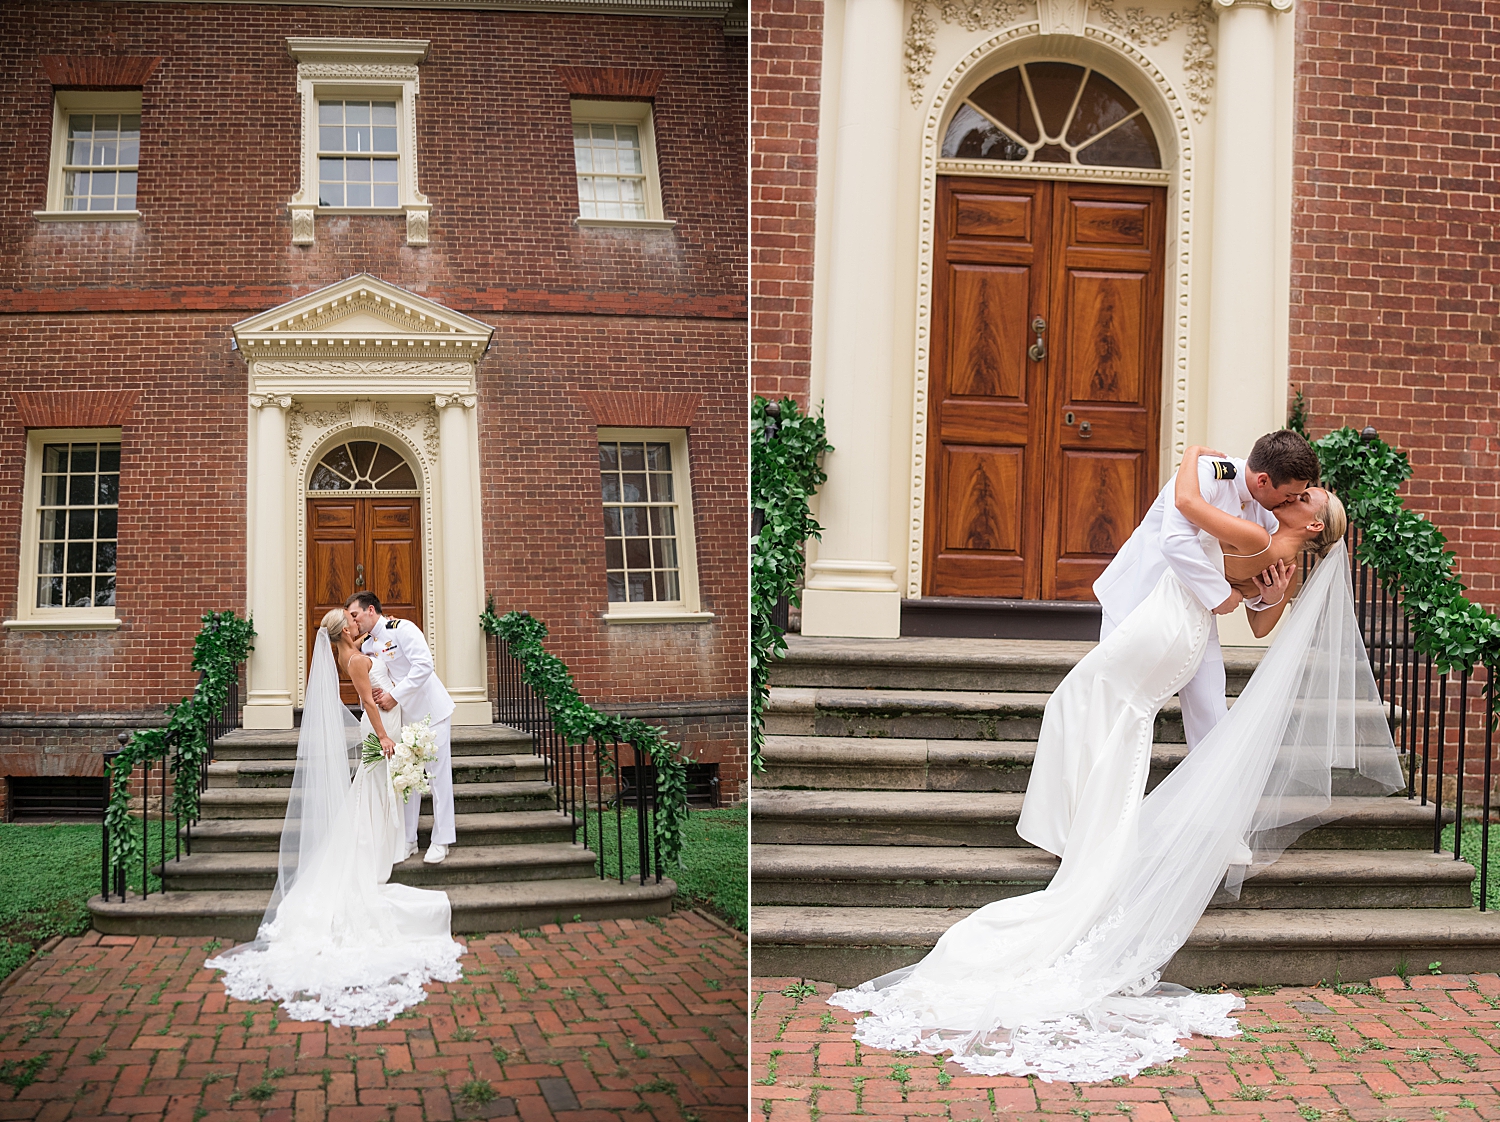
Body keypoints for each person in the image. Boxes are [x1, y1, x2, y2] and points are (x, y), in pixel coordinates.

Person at [830, 444, 1403, 1082]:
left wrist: (1249, 591)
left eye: (1306, 500)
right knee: (1127, 714)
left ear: (1311, 518)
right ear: (1268, 482)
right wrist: (1239, 584)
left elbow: (1246, 601)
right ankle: (1093, 822)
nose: (1297, 501)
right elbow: (1187, 538)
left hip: (1186, 618)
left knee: (1159, 718)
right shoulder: (1245, 504)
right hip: (1156, 605)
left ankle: (1151, 830)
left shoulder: (1268, 528)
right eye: (1296, 492)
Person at [206, 609, 463, 1027]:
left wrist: (356, 643)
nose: (357, 620)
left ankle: (397, 844)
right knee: (373, 796)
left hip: (394, 718)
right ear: (347, 630)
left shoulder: (355, 650)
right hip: (380, 727)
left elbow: (371, 654)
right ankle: (378, 851)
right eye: (351, 618)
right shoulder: (358, 659)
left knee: (378, 794)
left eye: (356, 613)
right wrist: (382, 735)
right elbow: (366, 696)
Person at [1093, 430, 1321, 749]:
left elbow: (1251, 573)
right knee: (1116, 706)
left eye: (1299, 497)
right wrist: (1221, 596)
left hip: (1197, 615)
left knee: (1210, 711)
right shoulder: (1209, 473)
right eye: (1290, 495)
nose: (1293, 501)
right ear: (1263, 481)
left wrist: (1266, 599)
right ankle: (1105, 792)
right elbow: (1174, 541)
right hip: (1138, 599)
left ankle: (1215, 796)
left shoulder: (1268, 515)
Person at [346, 592, 456, 864]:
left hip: (431, 712)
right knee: (407, 779)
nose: (353, 621)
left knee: (437, 778)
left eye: (355, 615)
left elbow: (424, 665)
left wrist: (395, 695)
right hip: (401, 720)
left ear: (371, 610)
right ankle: (408, 840)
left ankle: (442, 841)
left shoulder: (403, 629)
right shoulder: (368, 644)